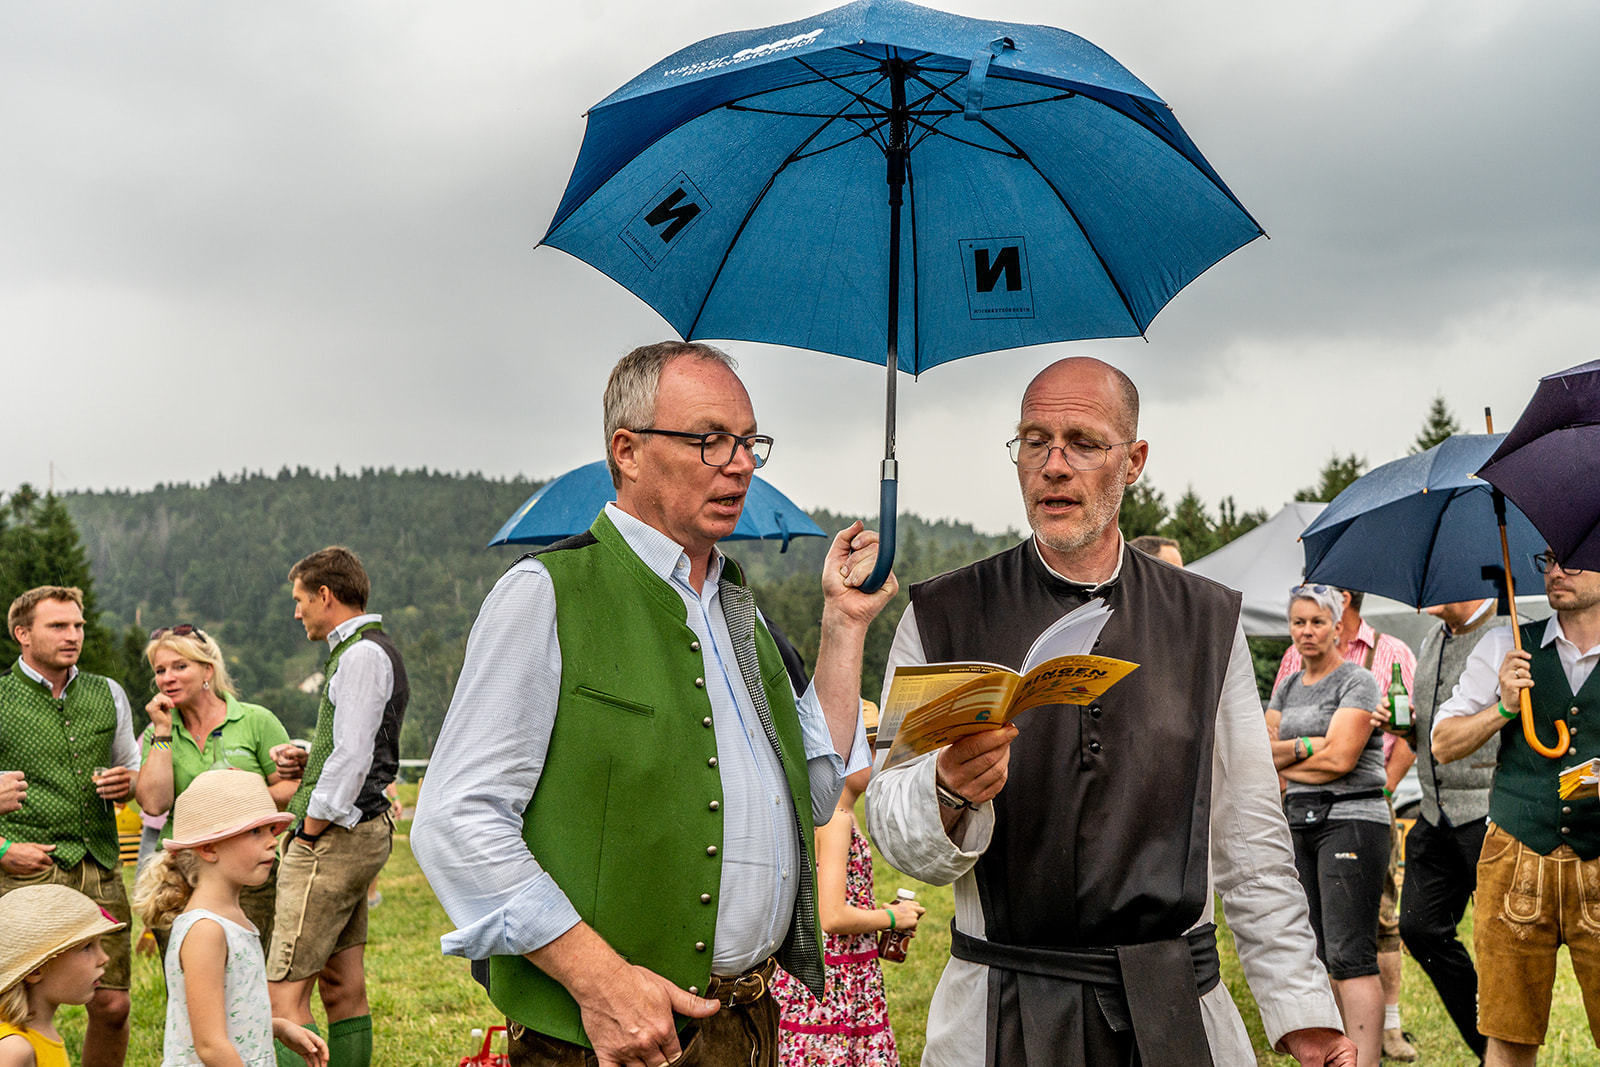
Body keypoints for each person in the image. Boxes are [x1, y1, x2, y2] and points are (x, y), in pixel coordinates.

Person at [412, 340, 895, 1067]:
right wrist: (599, 980)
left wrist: (843, 627)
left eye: (748, 441)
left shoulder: (742, 615)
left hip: (749, 1024)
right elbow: (456, 819)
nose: (740, 463)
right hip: (605, 1038)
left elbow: (816, 792)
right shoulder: (545, 593)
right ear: (628, 450)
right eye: (709, 440)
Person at [864, 357, 1351, 1067]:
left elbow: (1249, 835)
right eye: (1034, 441)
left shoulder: (1206, 621)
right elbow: (890, 825)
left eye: (1083, 443)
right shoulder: (944, 616)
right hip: (1003, 1004)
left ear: (1134, 461)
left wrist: (1301, 1008)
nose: (1053, 465)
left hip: (1171, 1007)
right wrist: (944, 788)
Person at [1432, 550, 1600, 1067]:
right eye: (1548, 559)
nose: (1555, 572)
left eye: (1571, 560)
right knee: (1508, 1034)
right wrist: (1502, 707)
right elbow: (1443, 742)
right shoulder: (1507, 645)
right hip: (1516, 857)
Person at [265, 547, 407, 1067]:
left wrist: (310, 825)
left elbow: (352, 755)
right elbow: (356, 744)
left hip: (335, 836)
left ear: (326, 595)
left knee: (283, 994)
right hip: (361, 830)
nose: (296, 611)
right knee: (342, 985)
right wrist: (310, 754)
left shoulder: (362, 654)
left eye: (300, 600)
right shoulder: (368, 649)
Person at [1274, 586, 1419, 1062]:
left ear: (1338, 626)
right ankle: (1337, 1053)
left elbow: (1342, 758)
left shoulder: (1358, 680)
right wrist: (1310, 746)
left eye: (1317, 621)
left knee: (1350, 954)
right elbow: (1257, 751)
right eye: (1298, 622)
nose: (1307, 631)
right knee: (1315, 953)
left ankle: (1367, 1058)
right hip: (1300, 820)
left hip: (1354, 819)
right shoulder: (1289, 685)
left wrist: (1290, 756)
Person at [0, 586, 139, 1067]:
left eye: (78, 625)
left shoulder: (109, 693)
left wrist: (128, 782)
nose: (73, 635)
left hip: (99, 863)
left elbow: (134, 769)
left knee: (114, 1003)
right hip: (22, 869)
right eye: (58, 626)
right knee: (11, 1006)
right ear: (22, 634)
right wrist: (1, 850)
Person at [134, 768, 327, 1067]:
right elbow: (210, 1046)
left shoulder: (234, 919)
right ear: (209, 847)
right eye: (255, 831)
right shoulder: (206, 931)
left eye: (271, 831)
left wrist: (277, 1028)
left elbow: (231, 1013)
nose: (272, 842)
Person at [1386, 597, 1502, 1060]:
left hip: (1485, 812)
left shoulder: (1508, 635)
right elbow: (1437, 730)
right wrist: (1407, 727)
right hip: (1434, 816)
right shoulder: (1432, 639)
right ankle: (1486, 1044)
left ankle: (1503, 1048)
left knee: (1501, 944)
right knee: (1419, 928)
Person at [133, 624, 296, 949]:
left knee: (248, 967)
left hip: (248, 868)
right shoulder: (158, 733)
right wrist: (163, 732)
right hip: (182, 871)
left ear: (208, 670)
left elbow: (292, 788)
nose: (168, 678)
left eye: (180, 666)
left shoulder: (255, 721)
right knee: (186, 972)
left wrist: (247, 796)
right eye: (160, 670)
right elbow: (153, 803)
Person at [771, 756, 923, 1067]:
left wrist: (874, 917)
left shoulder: (834, 814)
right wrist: (893, 918)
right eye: (870, 753)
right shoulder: (836, 819)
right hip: (834, 977)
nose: (881, 763)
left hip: (841, 969)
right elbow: (833, 917)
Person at [0, 884, 124, 1067]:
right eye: (87, 947)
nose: (104, 958)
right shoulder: (13, 1050)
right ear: (36, 970)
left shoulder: (40, 1029)